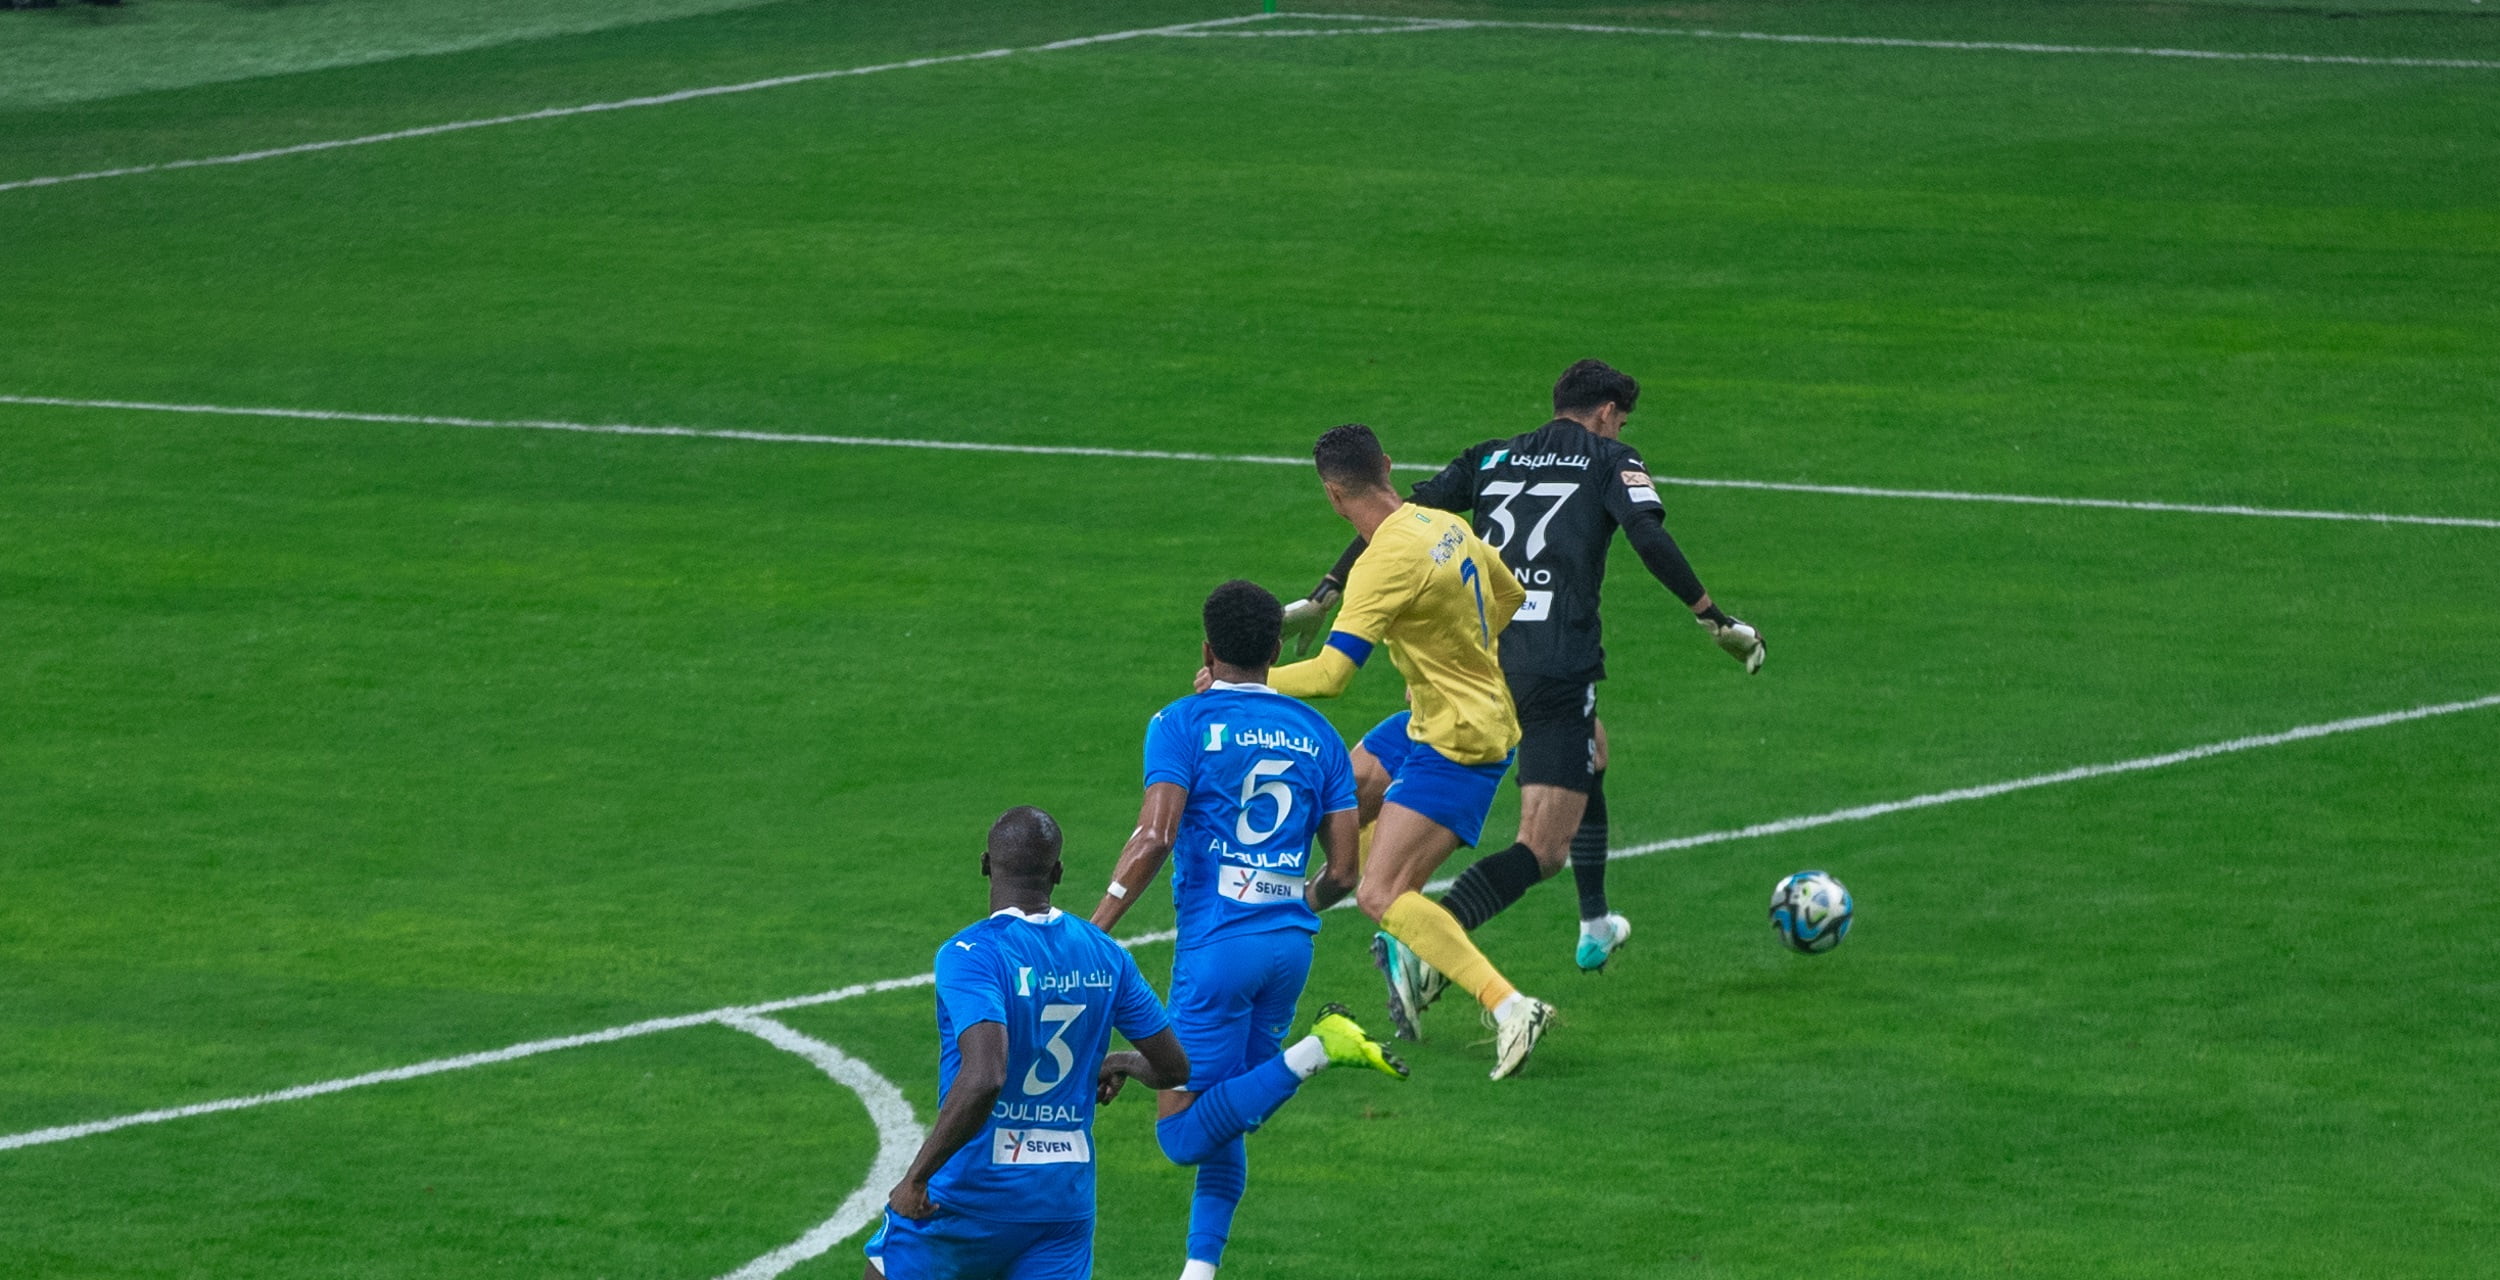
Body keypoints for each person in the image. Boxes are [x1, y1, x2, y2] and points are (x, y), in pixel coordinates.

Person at [1282, 360, 1764, 981]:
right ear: (1605, 414)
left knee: (1595, 750)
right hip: (1558, 666)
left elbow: (1393, 519)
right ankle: (1424, 941)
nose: (1617, 430)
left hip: (1482, 659)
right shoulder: (1608, 457)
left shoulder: (1492, 457)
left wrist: (1325, 591)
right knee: (1542, 846)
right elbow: (1647, 534)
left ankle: (1594, 920)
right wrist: (1712, 617)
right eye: (1618, 420)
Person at [1092, 579, 1409, 1280]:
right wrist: (1285, 898)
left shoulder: (1182, 721)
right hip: (1287, 946)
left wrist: (1095, 927)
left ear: (1207, 649)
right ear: (1275, 651)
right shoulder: (1320, 735)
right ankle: (1199, 1273)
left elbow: (1153, 837)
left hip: (1217, 949)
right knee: (1227, 1110)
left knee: (1180, 1134)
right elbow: (1345, 873)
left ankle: (1319, 1049)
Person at [1261, 422, 1558, 1081]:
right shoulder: (1439, 521)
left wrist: (1241, 681)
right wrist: (1450, 652)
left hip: (1460, 740)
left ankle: (1510, 1006)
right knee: (1342, 784)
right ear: (1387, 467)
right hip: (1439, 713)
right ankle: (1348, 919)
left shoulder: (1381, 565)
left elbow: (1332, 678)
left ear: (1334, 496)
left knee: (1380, 892)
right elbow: (1507, 594)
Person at [867, 806, 1190, 1280]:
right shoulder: (1106, 955)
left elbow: (985, 1078)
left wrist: (915, 1178)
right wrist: (1118, 1060)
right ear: (1058, 872)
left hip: (968, 1198)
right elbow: (1173, 1068)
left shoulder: (972, 955)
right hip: (1060, 1207)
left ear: (984, 865)